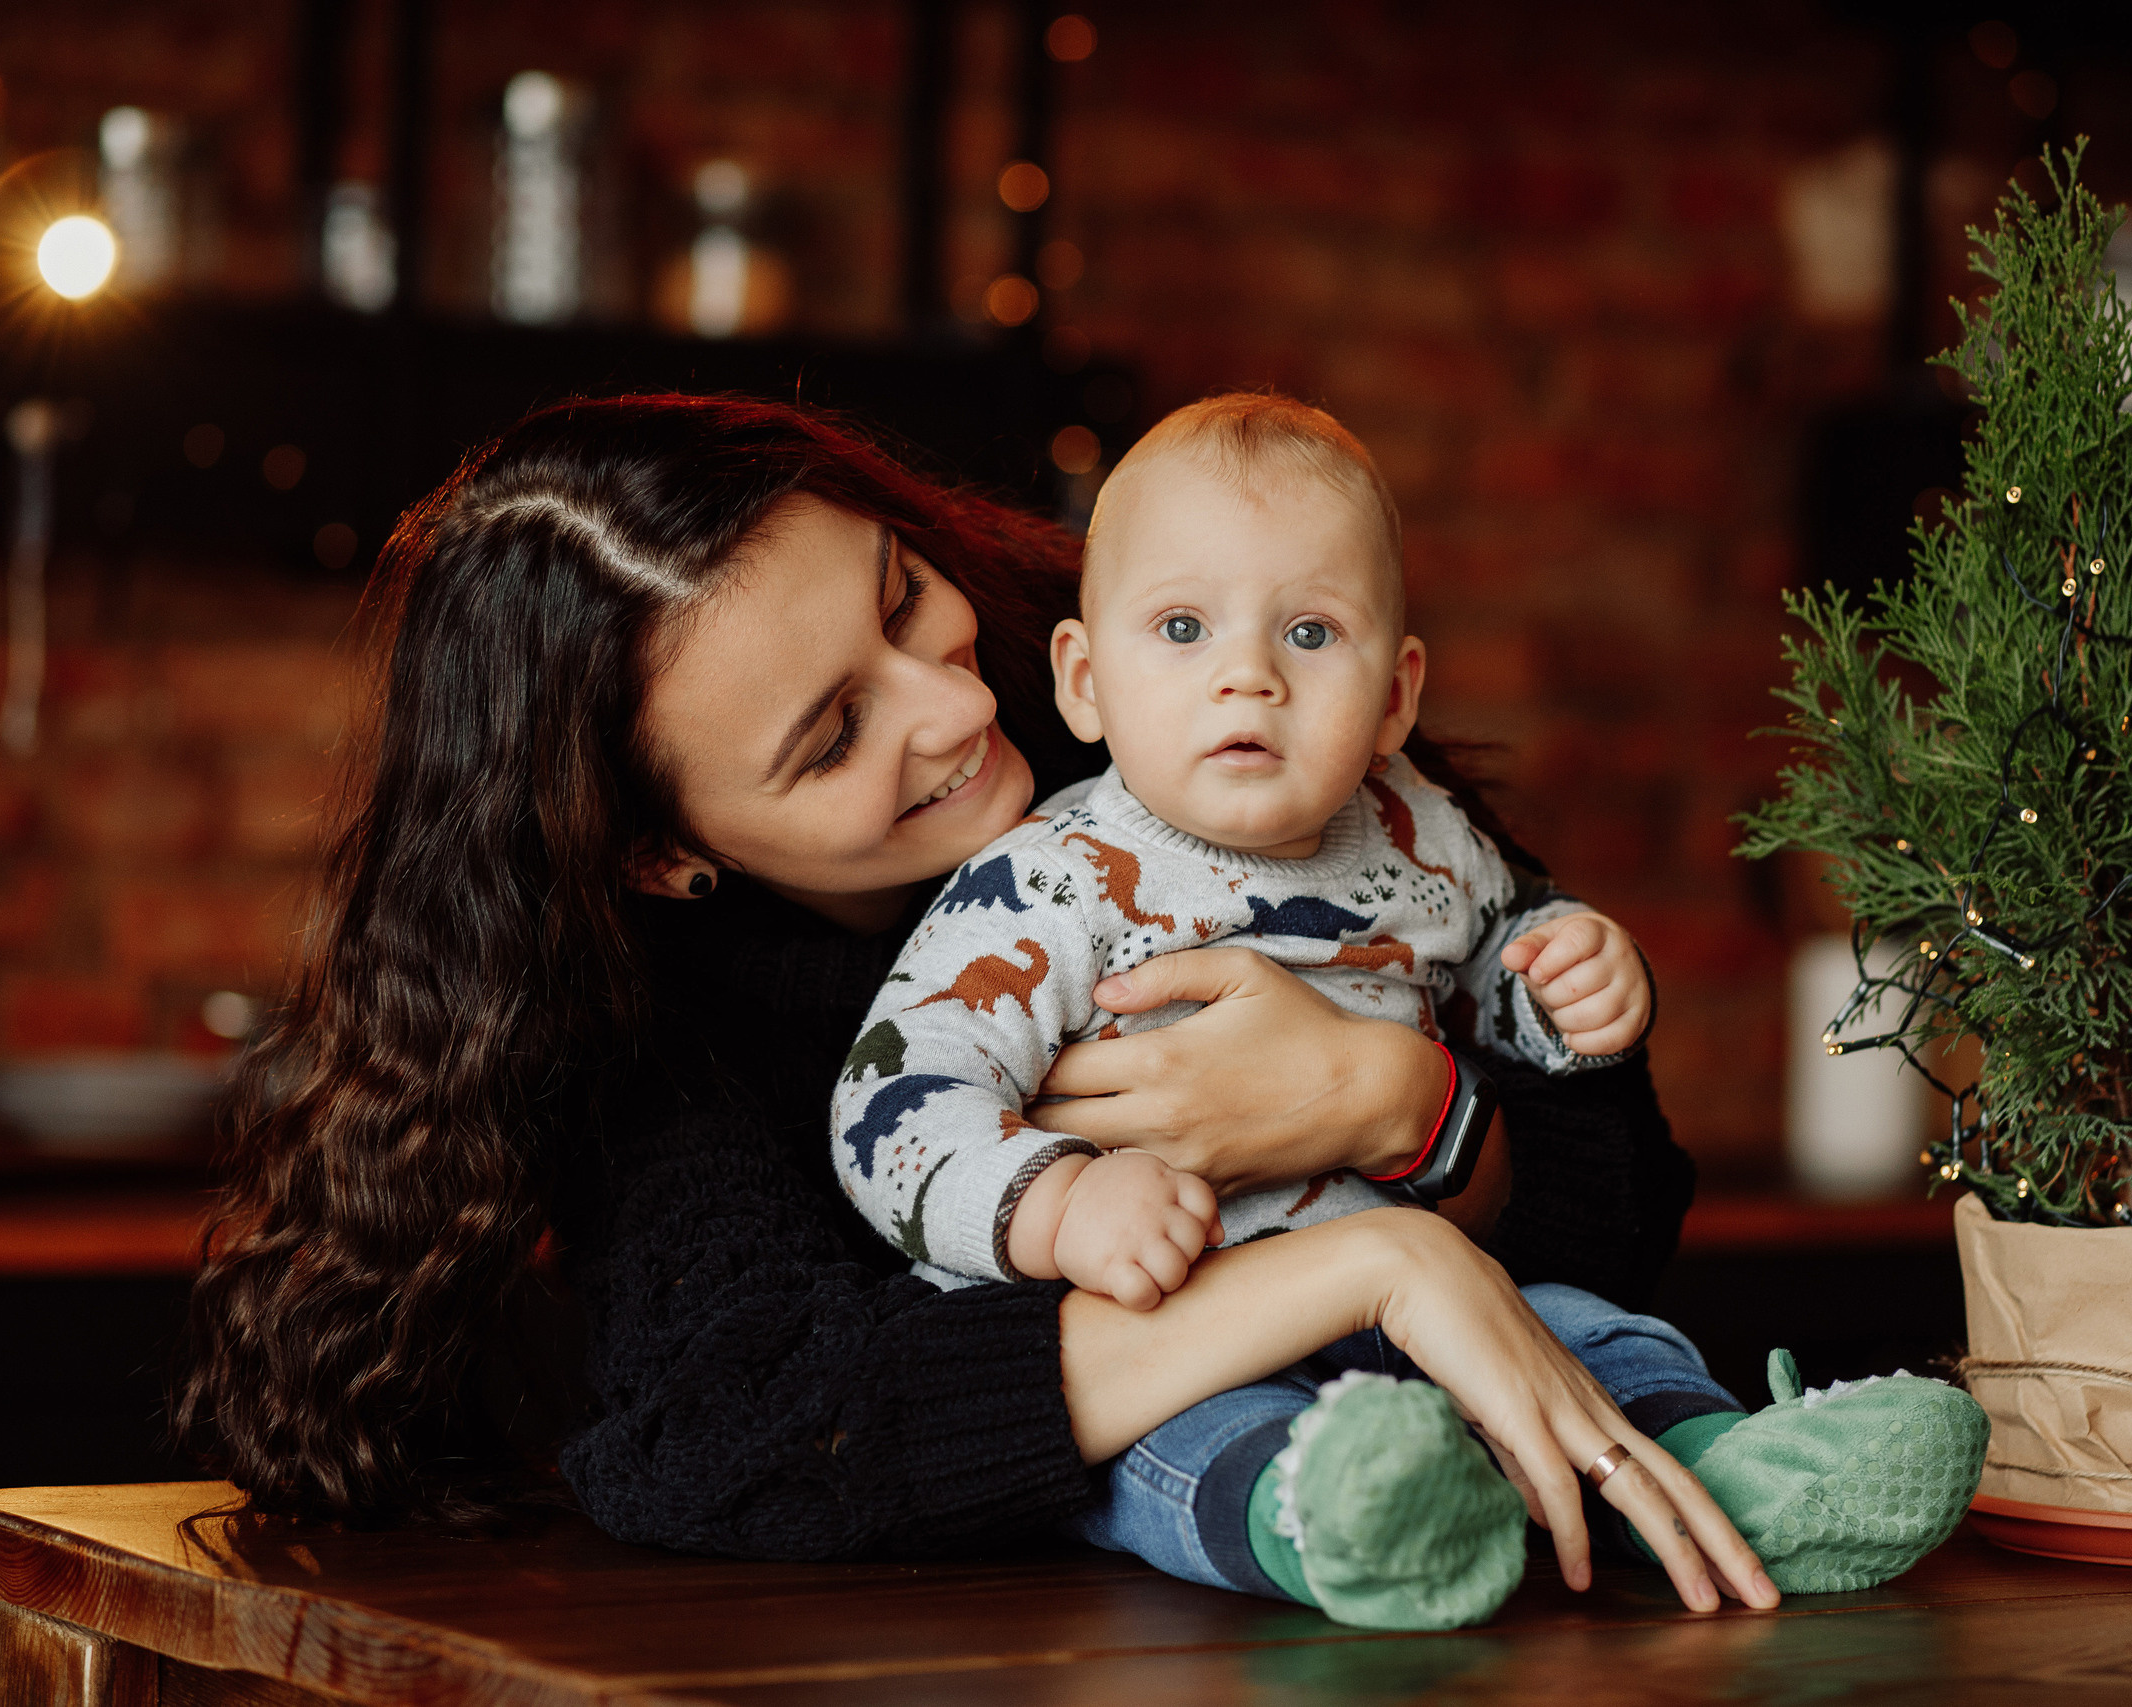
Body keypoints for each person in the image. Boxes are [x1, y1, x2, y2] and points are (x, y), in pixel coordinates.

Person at [178, 391, 1780, 1620]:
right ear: (663, 852)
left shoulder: (1201, 687)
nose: (952, 703)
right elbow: (743, 1426)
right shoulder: (664, 1039)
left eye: (901, 597)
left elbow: (1618, 1204)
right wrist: (1364, 1262)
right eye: (831, 736)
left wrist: (1403, 1106)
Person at [831, 394, 1991, 1628]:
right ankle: (1341, 1517)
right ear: (1083, 680)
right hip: (1180, 1329)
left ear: (1394, 696)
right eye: (1180, 627)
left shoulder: (1419, 831)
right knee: (1186, 1445)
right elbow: (891, 1101)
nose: (1246, 675)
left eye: (1310, 632)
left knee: (1592, 1332)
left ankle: (1746, 1470)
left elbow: (1502, 966)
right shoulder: (1041, 886)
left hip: (1439, 1306)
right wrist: (1059, 1204)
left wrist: (1568, 977)